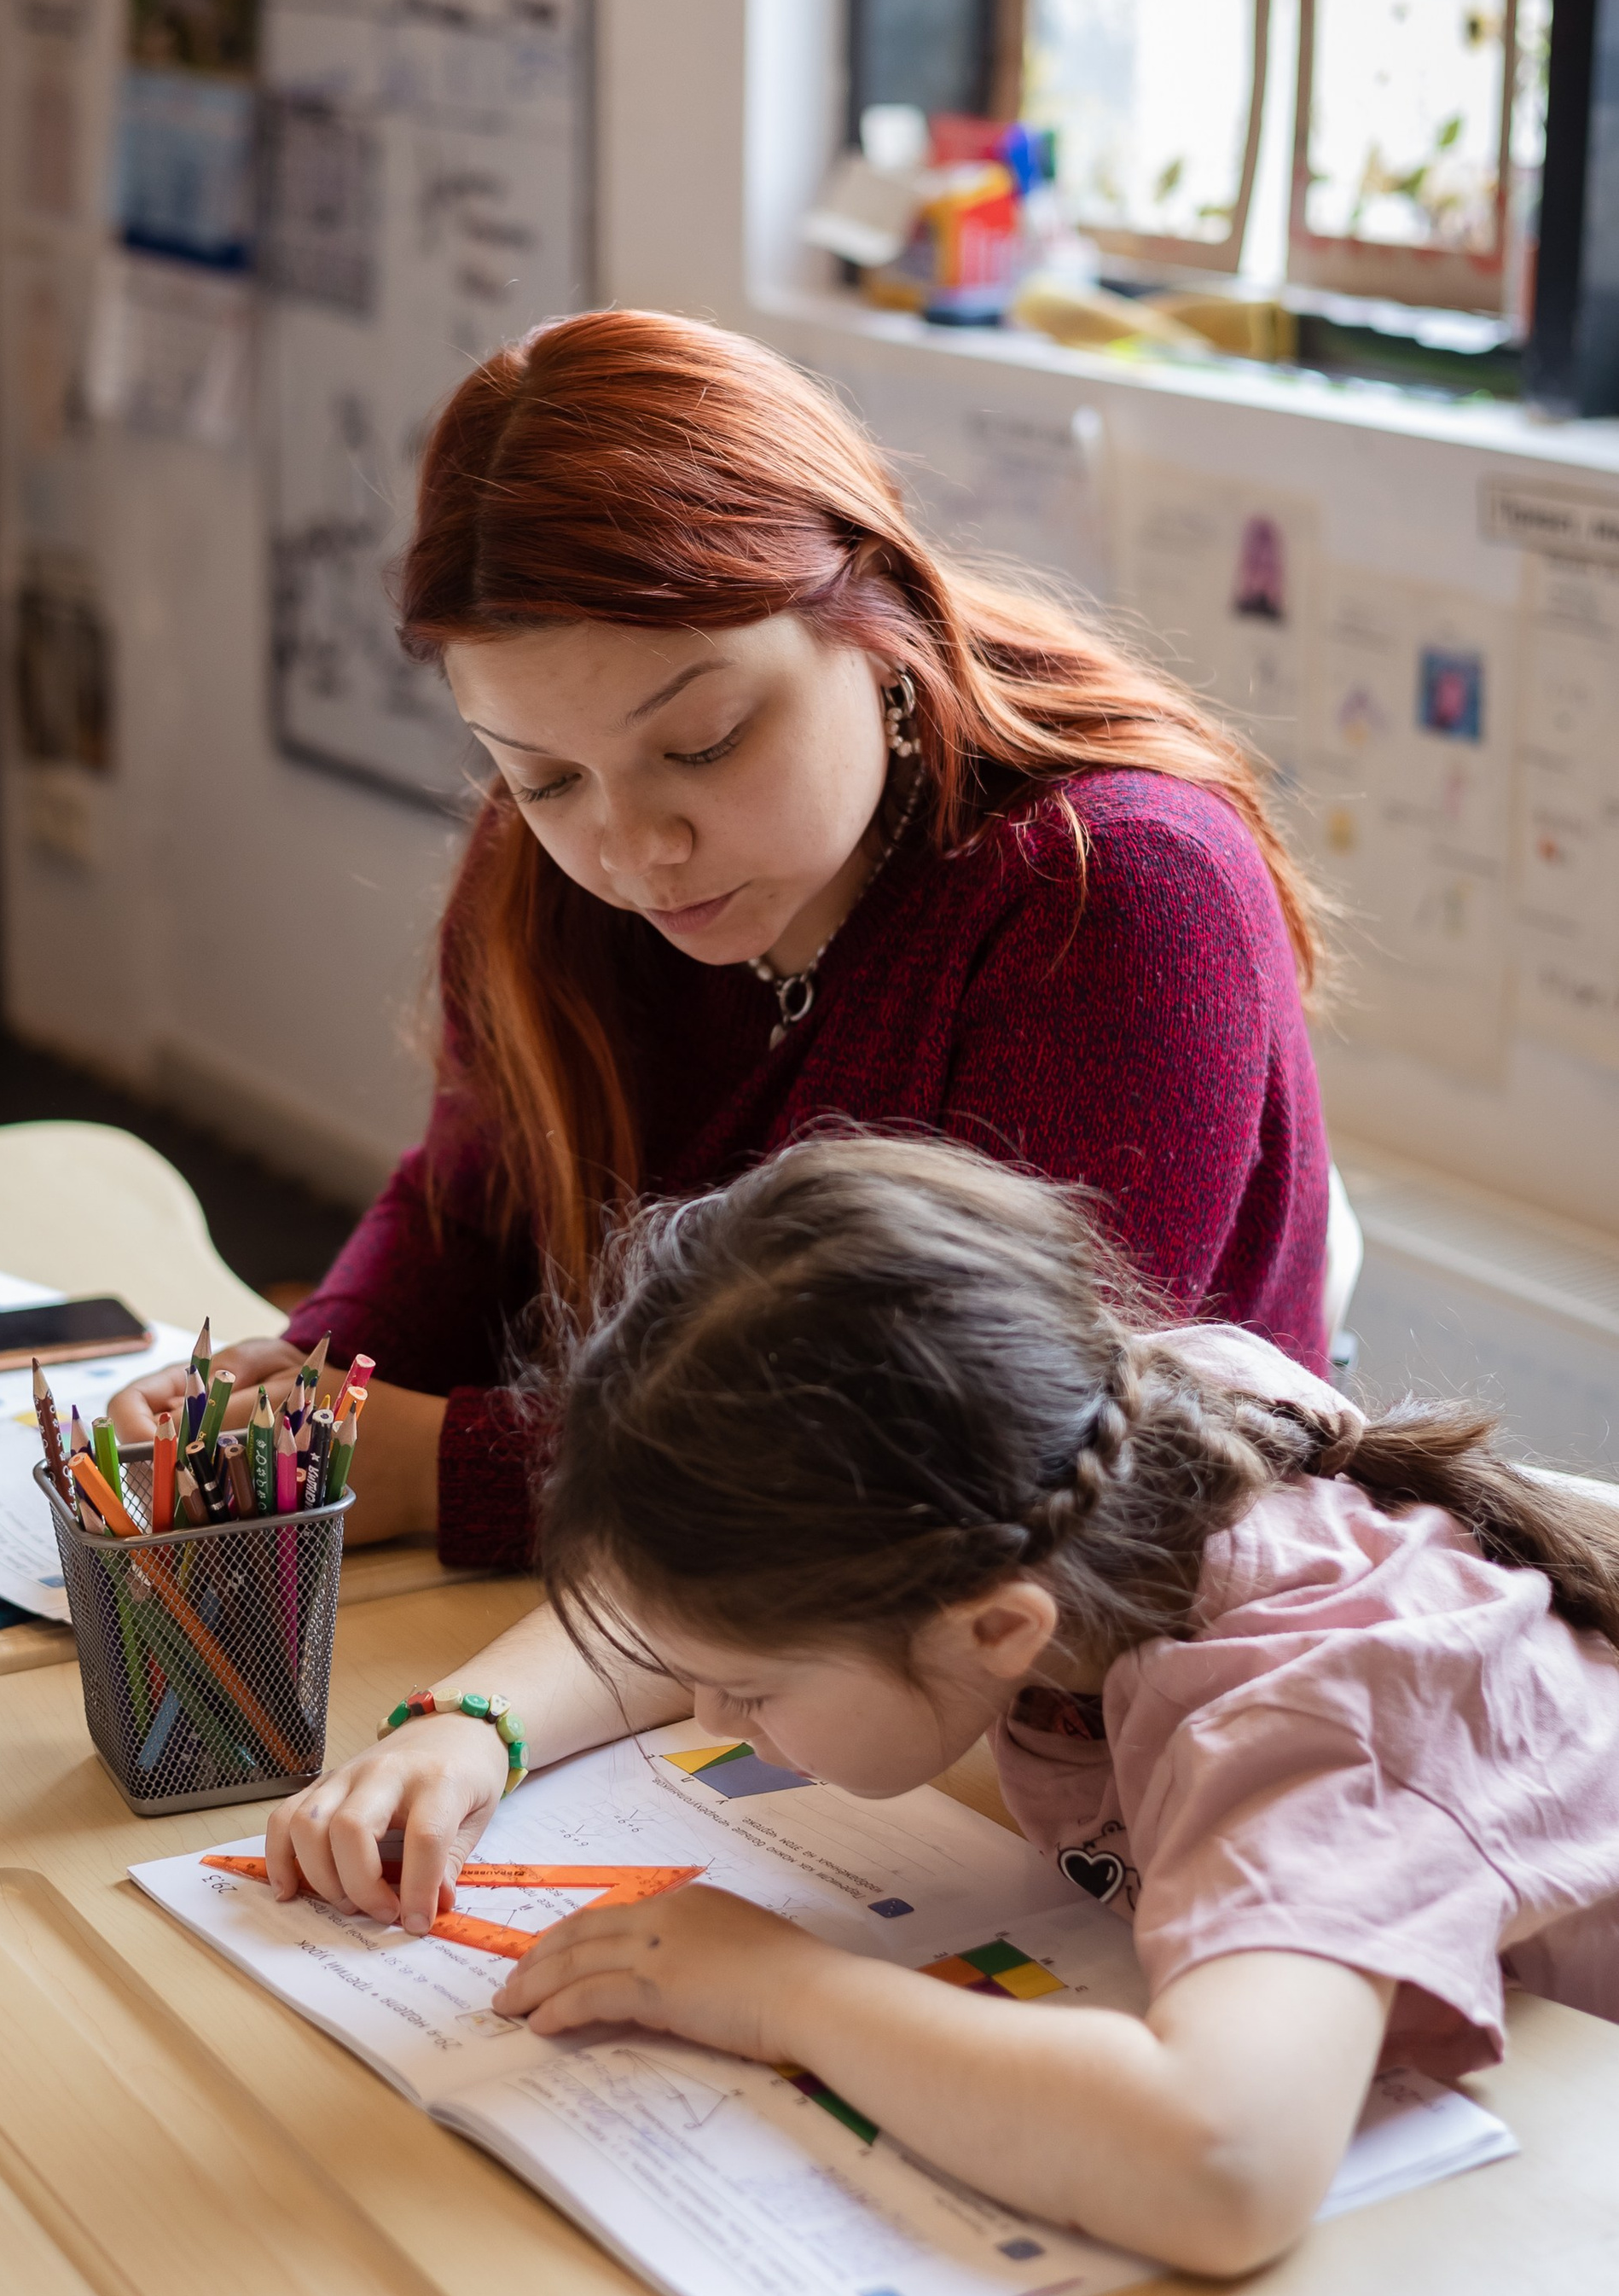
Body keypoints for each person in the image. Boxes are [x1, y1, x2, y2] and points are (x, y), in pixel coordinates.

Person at [265, 1132, 1619, 2296]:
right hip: (1483, 2262)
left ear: (991, 1629)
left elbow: (1223, 2160)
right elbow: (727, 1607)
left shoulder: (1312, 1703)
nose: (711, 1718)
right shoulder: (1091, 1449)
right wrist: (474, 1727)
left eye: (750, 1698)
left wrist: (780, 1991)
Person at [113, 310, 1333, 1563]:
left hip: (1112, 1630)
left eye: (704, 746)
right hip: (704, 1611)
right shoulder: (540, 868)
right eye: (544, 778)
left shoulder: (1116, 894)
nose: (634, 851)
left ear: (875, 610)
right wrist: (316, 1383)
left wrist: (442, 1468)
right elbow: (474, 1209)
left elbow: (975, 1453)